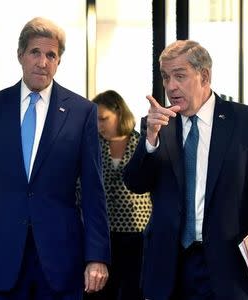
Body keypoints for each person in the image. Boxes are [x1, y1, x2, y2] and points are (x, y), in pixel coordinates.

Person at [123, 40, 248, 300]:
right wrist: (149, 141)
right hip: (169, 264)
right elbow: (136, 183)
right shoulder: (158, 124)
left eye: (179, 76)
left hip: (228, 264)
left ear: (204, 76)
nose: (170, 86)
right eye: (166, 77)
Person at [0, 17, 110, 300]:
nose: (43, 62)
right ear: (20, 55)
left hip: (60, 260)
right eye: (35, 52)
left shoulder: (81, 112)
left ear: (59, 61)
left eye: (51, 55)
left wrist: (97, 256)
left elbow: (93, 191)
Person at [83, 90, 151, 300]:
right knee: (99, 291)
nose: (99, 125)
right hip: (101, 235)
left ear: (119, 114)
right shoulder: (92, 145)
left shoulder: (142, 144)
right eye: (95, 120)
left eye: (104, 119)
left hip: (136, 236)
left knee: (133, 291)